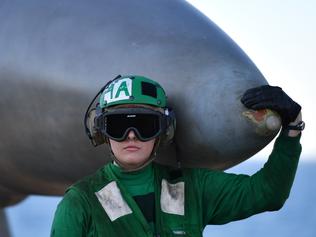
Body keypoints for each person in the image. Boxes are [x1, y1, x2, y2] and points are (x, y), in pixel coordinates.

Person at [51, 75, 303, 237]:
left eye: (144, 125)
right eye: (118, 126)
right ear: (101, 132)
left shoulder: (193, 189)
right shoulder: (80, 202)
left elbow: (268, 194)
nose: (131, 136)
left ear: (164, 130)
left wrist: (292, 126)